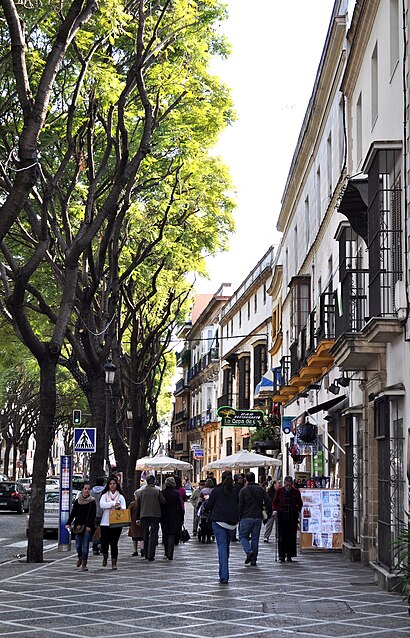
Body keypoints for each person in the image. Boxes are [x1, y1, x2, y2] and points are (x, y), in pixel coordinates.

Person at [203, 470, 239, 585]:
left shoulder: (217, 491)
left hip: (218, 521)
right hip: (232, 522)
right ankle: (224, 571)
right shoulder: (235, 491)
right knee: (226, 547)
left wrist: (205, 504)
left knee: (222, 547)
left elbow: (208, 506)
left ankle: (224, 575)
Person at [238, 472, 272, 566]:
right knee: (255, 538)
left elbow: (240, 505)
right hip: (258, 517)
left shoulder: (243, 490)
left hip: (246, 516)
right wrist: (269, 511)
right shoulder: (261, 489)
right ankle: (254, 560)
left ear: (246, 480)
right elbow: (268, 500)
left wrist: (239, 516)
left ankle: (249, 551)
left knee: (242, 536)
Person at [66, 481, 96, 572]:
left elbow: (92, 515)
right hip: (78, 527)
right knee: (78, 545)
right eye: (85, 489)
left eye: (88, 489)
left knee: (85, 545)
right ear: (82, 490)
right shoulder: (77, 501)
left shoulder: (92, 501)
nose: (87, 491)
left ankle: (84, 563)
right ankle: (80, 557)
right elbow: (73, 513)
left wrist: (89, 526)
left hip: (87, 527)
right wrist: (68, 523)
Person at [272, 475, 303, 562]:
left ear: (292, 484)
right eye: (287, 485)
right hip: (282, 516)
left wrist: (298, 509)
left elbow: (300, 502)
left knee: (291, 537)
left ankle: (289, 555)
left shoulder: (296, 492)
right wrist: (274, 510)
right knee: (282, 536)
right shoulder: (279, 491)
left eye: (289, 485)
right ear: (284, 483)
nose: (288, 487)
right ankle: (281, 555)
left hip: (292, 517)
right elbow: (275, 502)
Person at [99, 475, 127, 570]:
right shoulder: (104, 495)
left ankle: (114, 562)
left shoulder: (120, 496)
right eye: (110, 484)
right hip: (105, 522)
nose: (112, 485)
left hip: (116, 523)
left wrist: (119, 507)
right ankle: (105, 555)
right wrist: (113, 504)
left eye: (114, 484)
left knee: (114, 543)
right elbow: (102, 505)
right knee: (104, 542)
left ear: (116, 485)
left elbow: (124, 508)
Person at [136, 474, 166, 561]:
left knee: (145, 534)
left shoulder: (142, 492)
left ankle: (145, 553)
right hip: (155, 514)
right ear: (154, 481)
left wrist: (138, 516)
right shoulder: (157, 491)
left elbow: (139, 505)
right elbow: (163, 501)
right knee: (153, 534)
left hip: (144, 514)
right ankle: (151, 555)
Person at [161, 476, 183, 560]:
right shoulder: (176, 493)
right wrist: (181, 516)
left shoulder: (162, 492)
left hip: (164, 515)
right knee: (172, 534)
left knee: (165, 533)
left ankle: (166, 552)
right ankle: (170, 553)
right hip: (174, 515)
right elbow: (180, 506)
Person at [90, 476, 105, 555]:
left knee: (95, 532)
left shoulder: (91, 492)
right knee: (103, 531)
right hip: (103, 514)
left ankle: (95, 547)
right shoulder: (104, 491)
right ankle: (102, 546)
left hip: (94, 514)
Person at [129, 490, 144, 557]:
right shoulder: (143, 503)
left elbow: (129, 511)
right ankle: (142, 548)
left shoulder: (133, 503)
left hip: (134, 521)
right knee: (141, 536)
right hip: (142, 520)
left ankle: (135, 551)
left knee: (134, 537)